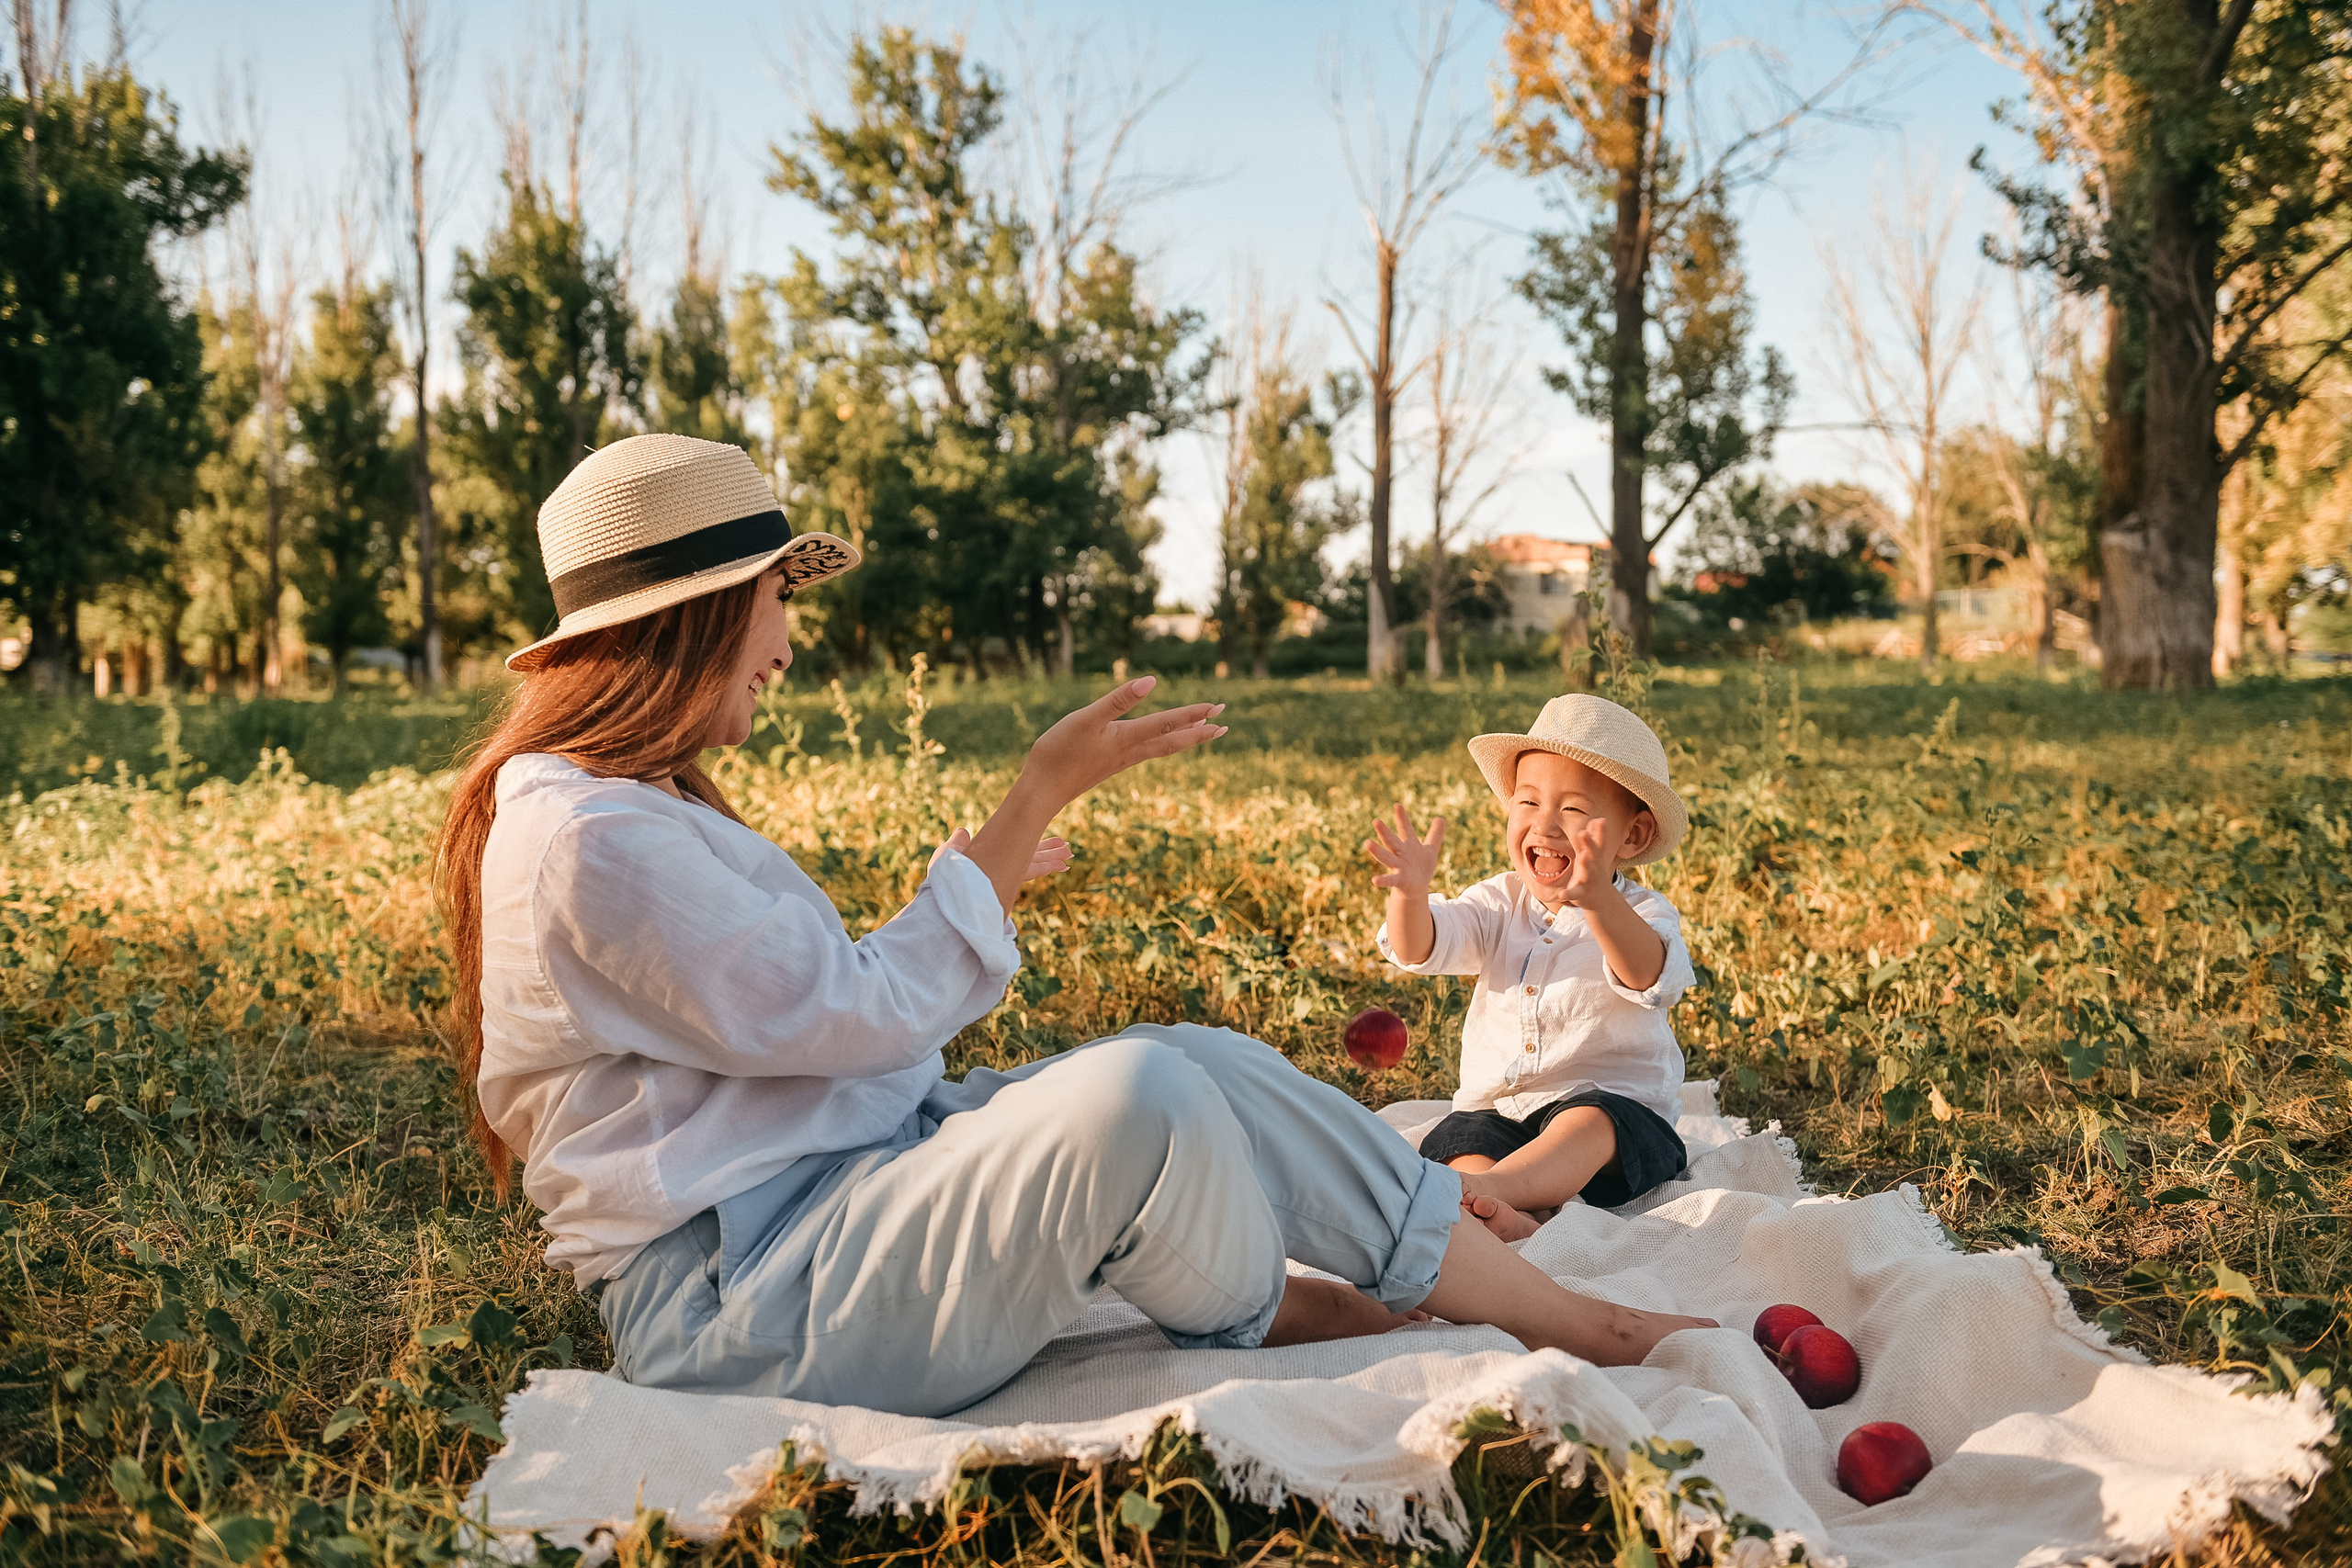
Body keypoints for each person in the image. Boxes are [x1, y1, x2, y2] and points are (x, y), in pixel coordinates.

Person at [436, 434, 1714, 1420]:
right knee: (1143, 1098)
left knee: (1197, 1059)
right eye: (778, 593)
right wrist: (1035, 788)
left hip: (828, 1212)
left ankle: (1505, 1301)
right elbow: (855, 1015)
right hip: (746, 1298)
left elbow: (814, 1011)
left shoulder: (622, 807)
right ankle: (1398, 1301)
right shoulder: (592, 838)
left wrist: (988, 864)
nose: (786, 636)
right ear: (701, 609)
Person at [1366, 695, 1694, 1243]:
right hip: (1503, 1117)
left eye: (1572, 809)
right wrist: (1410, 897)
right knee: (1460, 1139)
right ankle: (1498, 1212)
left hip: (1614, 1128)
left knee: (1590, 1122)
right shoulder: (1499, 902)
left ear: (1631, 837)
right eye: (1527, 802)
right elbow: (1423, 947)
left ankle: (1494, 1195)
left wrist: (1597, 901)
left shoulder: (1640, 913)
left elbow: (1649, 977)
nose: (1545, 825)